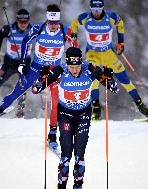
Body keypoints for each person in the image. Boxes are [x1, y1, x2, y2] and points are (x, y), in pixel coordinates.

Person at [0, 4, 75, 150]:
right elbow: (25, 41)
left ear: (59, 21)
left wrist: (71, 58)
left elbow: (75, 46)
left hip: (54, 71)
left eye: (56, 23)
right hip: (36, 68)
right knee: (17, 91)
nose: (53, 26)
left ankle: (52, 134)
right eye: (51, 23)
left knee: (57, 101)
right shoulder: (38, 28)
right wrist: (24, 61)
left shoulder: (65, 30)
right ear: (47, 20)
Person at [32, 47, 118, 189]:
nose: (74, 70)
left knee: (80, 154)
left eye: (77, 67)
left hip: (83, 115)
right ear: (67, 64)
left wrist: (109, 77)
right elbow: (36, 89)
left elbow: (114, 88)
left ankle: (78, 186)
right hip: (65, 115)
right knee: (66, 155)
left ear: (81, 63)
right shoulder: (60, 71)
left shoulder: (90, 69)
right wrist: (42, 77)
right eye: (71, 67)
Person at [70, 0, 148, 120]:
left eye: (99, 10)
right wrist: (73, 35)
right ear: (90, 9)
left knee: (124, 79)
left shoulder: (110, 17)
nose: (96, 12)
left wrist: (121, 42)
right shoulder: (85, 17)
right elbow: (74, 23)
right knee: (94, 76)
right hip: (92, 54)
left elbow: (120, 23)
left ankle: (141, 106)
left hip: (108, 53)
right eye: (94, 10)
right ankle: (96, 108)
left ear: (102, 8)